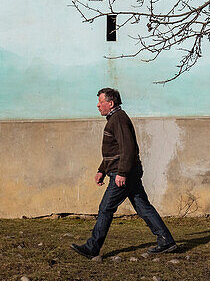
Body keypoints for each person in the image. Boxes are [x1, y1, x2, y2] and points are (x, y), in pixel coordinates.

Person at [71, 87, 178, 258]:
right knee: (143, 206)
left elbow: (127, 148)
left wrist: (122, 173)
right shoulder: (114, 119)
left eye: (101, 102)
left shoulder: (118, 119)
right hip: (125, 172)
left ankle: (92, 248)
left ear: (110, 103)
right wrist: (101, 170)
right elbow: (114, 151)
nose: (98, 105)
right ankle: (166, 241)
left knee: (105, 208)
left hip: (122, 174)